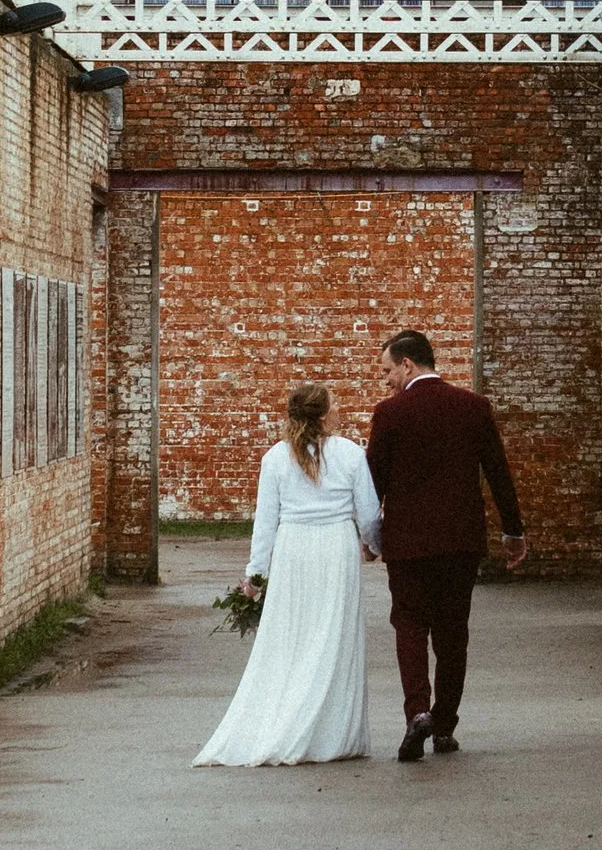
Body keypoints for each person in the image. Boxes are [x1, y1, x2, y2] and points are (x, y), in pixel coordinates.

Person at [194, 382, 382, 769]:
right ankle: (330, 733)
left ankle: (285, 719)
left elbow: (265, 523)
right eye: (335, 405)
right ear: (322, 414)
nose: (339, 410)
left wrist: (256, 575)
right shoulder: (349, 454)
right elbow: (367, 513)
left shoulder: (275, 458)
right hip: (335, 549)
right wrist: (373, 546)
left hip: (293, 550)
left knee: (292, 637)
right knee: (334, 635)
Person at [364, 328, 526, 764]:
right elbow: (498, 472)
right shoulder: (473, 408)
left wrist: (368, 536)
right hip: (460, 542)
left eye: (387, 371)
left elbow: (372, 482)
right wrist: (513, 532)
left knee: (410, 626)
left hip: (408, 544)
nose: (386, 380)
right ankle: (445, 725)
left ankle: (417, 712)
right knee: (453, 634)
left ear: (408, 365)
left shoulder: (390, 414)